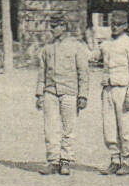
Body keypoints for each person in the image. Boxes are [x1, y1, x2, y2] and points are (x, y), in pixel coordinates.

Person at [34, 14, 90, 175]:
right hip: (50, 92)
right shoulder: (47, 49)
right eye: (51, 26)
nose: (52, 30)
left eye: (55, 26)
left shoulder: (77, 47)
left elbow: (83, 73)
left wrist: (83, 95)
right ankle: (53, 161)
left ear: (64, 26)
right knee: (50, 128)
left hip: (69, 93)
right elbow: (42, 73)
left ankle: (66, 161)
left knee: (68, 128)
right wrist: (39, 95)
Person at [95, 10, 129, 174]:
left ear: (126, 26)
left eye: (119, 24)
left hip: (122, 90)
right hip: (107, 89)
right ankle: (115, 159)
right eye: (112, 24)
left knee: (125, 126)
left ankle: (127, 161)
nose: (115, 27)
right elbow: (95, 58)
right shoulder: (106, 44)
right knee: (109, 127)